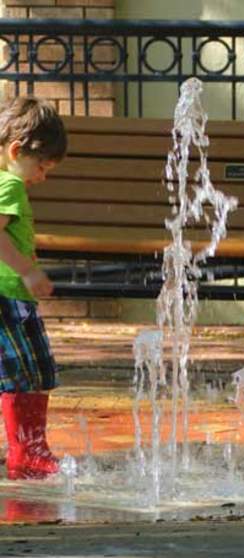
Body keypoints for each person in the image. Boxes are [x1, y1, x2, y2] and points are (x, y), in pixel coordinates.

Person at [0, 96, 67, 479]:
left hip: (15, 295)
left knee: (37, 371)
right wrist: (27, 270)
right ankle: (25, 452)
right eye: (41, 166)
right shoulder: (8, 184)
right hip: (7, 295)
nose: (42, 176)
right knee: (21, 375)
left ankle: (31, 447)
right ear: (14, 150)